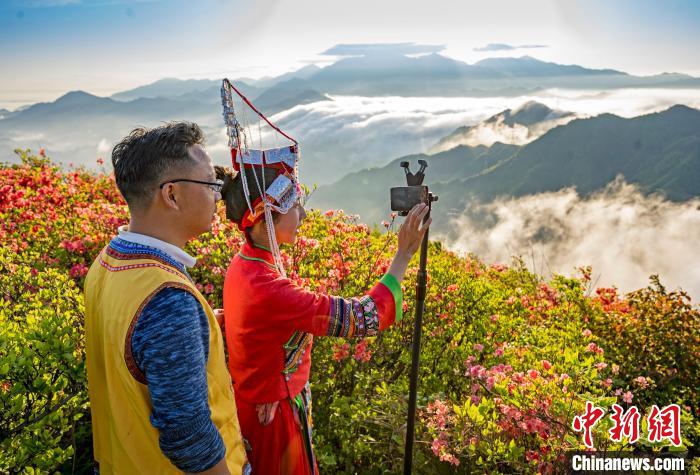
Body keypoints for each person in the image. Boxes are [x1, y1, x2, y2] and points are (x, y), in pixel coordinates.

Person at [216, 164, 431, 475]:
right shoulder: (270, 288)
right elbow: (363, 316)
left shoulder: (244, 263)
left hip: (257, 411)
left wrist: (265, 385)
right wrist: (404, 255)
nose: (303, 215)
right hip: (277, 425)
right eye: (294, 206)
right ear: (266, 220)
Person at [84, 122, 249, 474]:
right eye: (210, 184)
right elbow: (189, 438)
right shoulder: (167, 299)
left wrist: (198, 334)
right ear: (171, 194)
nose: (218, 196)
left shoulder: (107, 262)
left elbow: (133, 351)